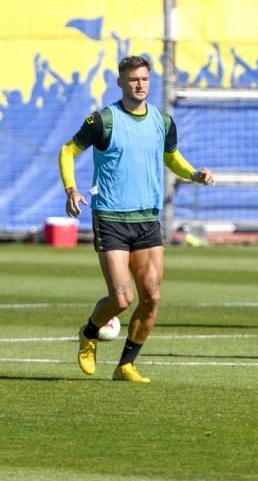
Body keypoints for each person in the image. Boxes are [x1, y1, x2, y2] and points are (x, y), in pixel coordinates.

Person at [58, 55, 215, 383]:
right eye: (133, 80)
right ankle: (88, 334)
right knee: (122, 297)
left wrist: (194, 174)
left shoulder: (162, 121)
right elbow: (68, 151)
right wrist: (71, 190)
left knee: (152, 296)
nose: (140, 85)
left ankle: (126, 364)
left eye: (144, 79)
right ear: (121, 83)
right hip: (111, 218)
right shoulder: (104, 120)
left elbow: (171, 158)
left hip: (147, 219)